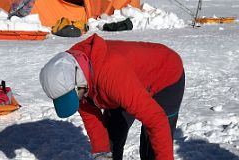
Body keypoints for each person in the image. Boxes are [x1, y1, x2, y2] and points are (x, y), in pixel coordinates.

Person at [39, 33, 185, 160]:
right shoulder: (72, 72)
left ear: (80, 78)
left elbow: (156, 120)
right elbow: (91, 115)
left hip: (166, 75)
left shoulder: (111, 76)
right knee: (111, 140)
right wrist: (102, 154)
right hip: (125, 83)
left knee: (153, 148)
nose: (79, 101)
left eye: (77, 95)